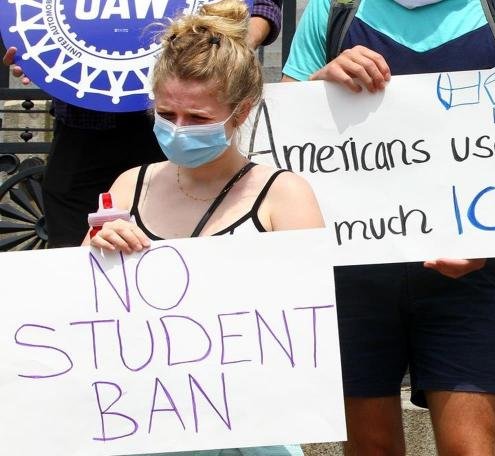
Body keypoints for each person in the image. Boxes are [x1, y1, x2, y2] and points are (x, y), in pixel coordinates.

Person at [281, 0, 495, 454]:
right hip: (352, 277)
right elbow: (286, 134)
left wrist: (491, 240)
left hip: (467, 278)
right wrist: (319, 84)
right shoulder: (334, 7)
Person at [83, 1, 323, 455]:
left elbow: (311, 330)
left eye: (198, 118)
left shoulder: (284, 196)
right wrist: (97, 251)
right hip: (141, 428)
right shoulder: (128, 186)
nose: (178, 130)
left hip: (251, 434)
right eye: (166, 113)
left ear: (242, 112)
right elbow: (81, 313)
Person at [2, 0, 282, 248]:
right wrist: (41, 58)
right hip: (84, 130)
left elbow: (262, 6)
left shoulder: (281, 195)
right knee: (77, 250)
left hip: (171, 127)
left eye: (199, 117)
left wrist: (223, 55)